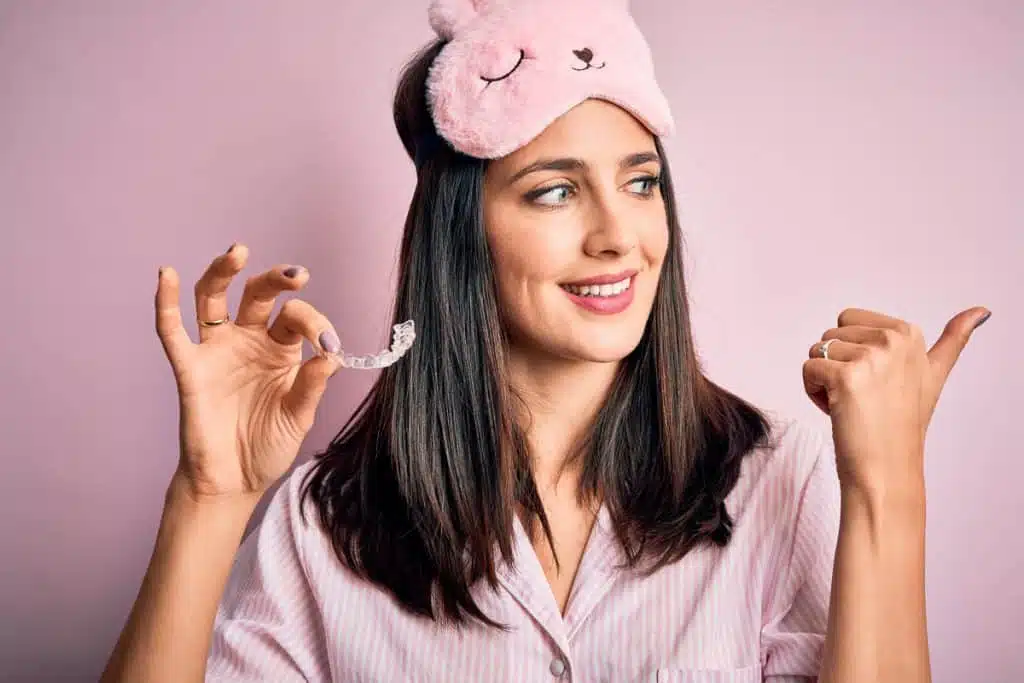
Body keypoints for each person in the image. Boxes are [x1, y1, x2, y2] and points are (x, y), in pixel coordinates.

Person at [101, 1, 991, 681]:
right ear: (463, 233)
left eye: (640, 183)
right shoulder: (319, 528)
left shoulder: (779, 480)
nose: (619, 235)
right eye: (555, 192)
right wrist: (208, 497)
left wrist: (887, 490)